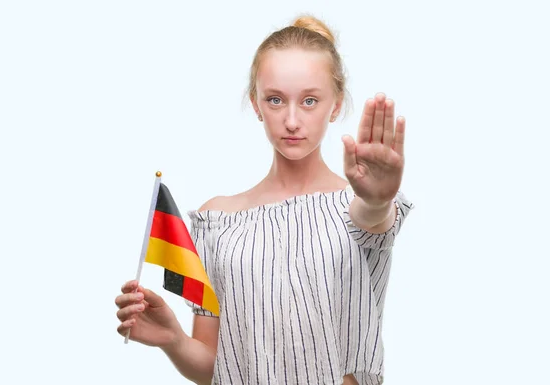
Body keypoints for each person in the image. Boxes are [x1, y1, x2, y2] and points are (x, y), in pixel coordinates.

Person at [115, 14, 414, 385]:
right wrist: (174, 340)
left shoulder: (356, 206)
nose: (291, 120)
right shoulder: (218, 221)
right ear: (256, 104)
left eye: (309, 100)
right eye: (275, 100)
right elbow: (216, 367)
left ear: (335, 105)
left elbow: (373, 218)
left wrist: (379, 197)